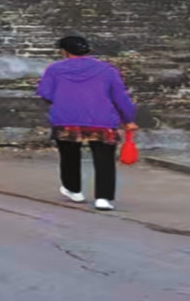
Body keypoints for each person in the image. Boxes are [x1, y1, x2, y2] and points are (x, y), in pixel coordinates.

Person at [36, 34, 137, 211]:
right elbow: (120, 98)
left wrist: (63, 99)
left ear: (64, 52)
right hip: (102, 120)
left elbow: (45, 93)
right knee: (104, 159)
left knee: (69, 155)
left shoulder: (55, 69)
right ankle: (103, 198)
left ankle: (73, 189)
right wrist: (128, 120)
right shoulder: (107, 70)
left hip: (66, 119)